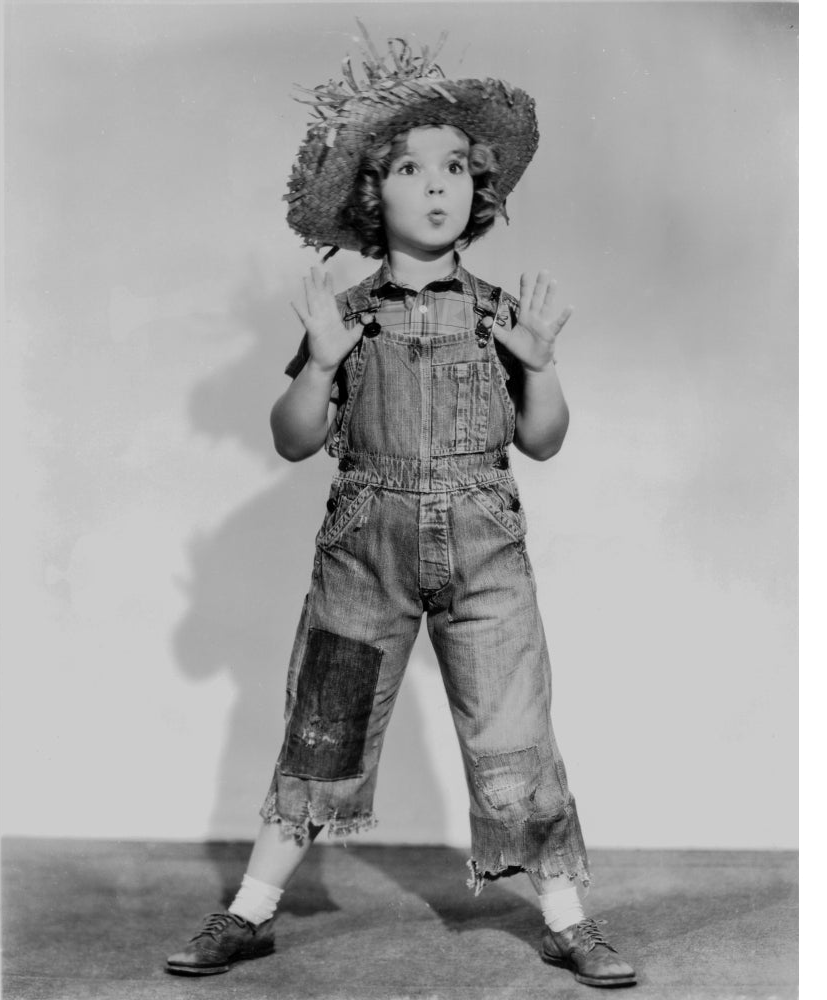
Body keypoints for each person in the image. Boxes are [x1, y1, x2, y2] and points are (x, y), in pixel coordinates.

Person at [166, 25, 636, 989]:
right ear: (372, 196)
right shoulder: (345, 317)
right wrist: (324, 364)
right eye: (413, 168)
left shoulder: (507, 316)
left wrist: (541, 371)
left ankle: (567, 919)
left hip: (485, 554)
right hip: (363, 556)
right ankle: (250, 911)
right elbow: (294, 436)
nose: (438, 185)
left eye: (457, 167)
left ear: (482, 189)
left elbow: (542, 441)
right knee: (324, 729)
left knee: (515, 735)